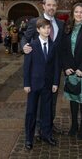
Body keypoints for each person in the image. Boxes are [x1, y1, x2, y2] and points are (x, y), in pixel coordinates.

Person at [21, 0, 64, 135]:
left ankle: (49, 124)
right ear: (43, 6)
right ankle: (38, 127)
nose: (51, 7)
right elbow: (25, 38)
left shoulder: (60, 24)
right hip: (38, 71)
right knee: (37, 102)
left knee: (52, 100)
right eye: (49, 5)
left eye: (54, 5)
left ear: (56, 7)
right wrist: (24, 47)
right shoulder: (35, 22)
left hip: (53, 70)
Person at [23, 18, 60, 150]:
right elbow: (26, 67)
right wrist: (26, 84)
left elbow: (56, 65)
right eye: (44, 28)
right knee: (31, 112)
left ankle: (47, 134)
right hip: (33, 84)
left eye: (48, 28)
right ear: (38, 29)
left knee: (47, 111)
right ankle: (28, 138)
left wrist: (56, 82)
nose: (47, 30)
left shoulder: (54, 45)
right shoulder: (31, 46)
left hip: (48, 84)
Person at [62, 3, 82, 140]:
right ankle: (74, 124)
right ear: (72, 13)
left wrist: (81, 68)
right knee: (73, 99)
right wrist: (66, 67)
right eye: (76, 12)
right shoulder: (67, 28)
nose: (79, 14)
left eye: (81, 12)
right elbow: (63, 50)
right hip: (70, 70)